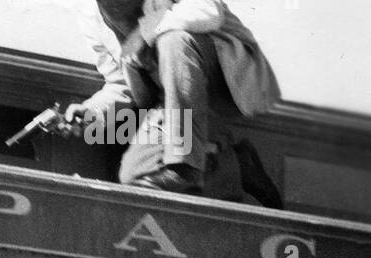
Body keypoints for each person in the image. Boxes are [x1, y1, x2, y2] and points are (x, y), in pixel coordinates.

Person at [65, 0, 281, 197]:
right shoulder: (91, 15)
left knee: (174, 39)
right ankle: (235, 161)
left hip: (227, 82)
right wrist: (91, 112)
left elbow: (207, 12)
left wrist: (144, 34)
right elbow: (121, 84)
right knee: (134, 177)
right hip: (175, 101)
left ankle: (185, 166)